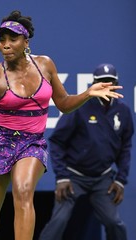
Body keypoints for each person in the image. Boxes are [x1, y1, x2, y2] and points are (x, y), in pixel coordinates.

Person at [0, 10, 124, 240]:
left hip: (31, 144)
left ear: (26, 42)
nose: (6, 45)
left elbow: (63, 103)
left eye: (13, 39)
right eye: (2, 40)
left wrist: (88, 94)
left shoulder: (45, 65)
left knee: (22, 191)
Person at [39, 63, 134, 240]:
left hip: (103, 178)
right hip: (74, 177)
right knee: (58, 221)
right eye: (102, 82)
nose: (106, 85)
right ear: (94, 84)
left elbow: (126, 146)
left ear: (117, 83)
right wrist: (62, 177)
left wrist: (120, 180)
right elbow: (57, 141)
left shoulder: (123, 111)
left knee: (115, 223)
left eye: (110, 81)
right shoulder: (80, 107)